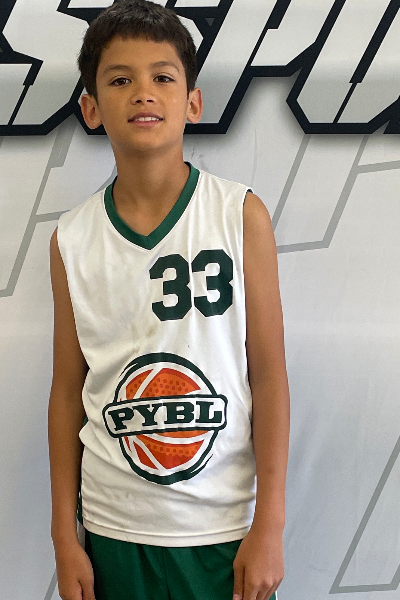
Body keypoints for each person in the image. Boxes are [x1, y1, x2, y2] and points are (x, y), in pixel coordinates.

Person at [48, 1, 290, 599]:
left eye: (162, 76)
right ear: (91, 108)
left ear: (193, 102)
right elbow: (67, 391)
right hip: (112, 527)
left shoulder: (240, 215)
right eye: (119, 80)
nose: (143, 93)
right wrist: (62, 535)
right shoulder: (71, 238)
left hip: (223, 528)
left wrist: (270, 525)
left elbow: (269, 377)